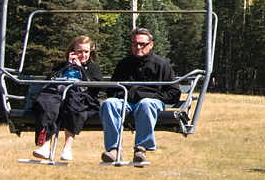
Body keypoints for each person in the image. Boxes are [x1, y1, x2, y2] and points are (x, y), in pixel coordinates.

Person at [100, 28, 180, 164]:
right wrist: (126, 95)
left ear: (150, 44)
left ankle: (141, 148)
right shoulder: (123, 64)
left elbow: (173, 93)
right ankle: (114, 149)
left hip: (151, 103)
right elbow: (112, 89)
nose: (138, 47)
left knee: (145, 103)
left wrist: (151, 96)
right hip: (127, 102)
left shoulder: (161, 65)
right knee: (110, 103)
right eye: (134, 44)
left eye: (142, 44)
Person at [31, 35, 103, 162]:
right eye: (79, 51)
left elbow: (96, 87)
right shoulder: (62, 65)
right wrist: (68, 65)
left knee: (72, 103)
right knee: (47, 105)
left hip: (80, 97)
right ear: (72, 51)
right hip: (57, 95)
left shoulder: (93, 68)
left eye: (86, 52)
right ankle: (45, 145)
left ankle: (67, 148)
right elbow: (49, 79)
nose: (83, 55)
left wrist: (80, 68)